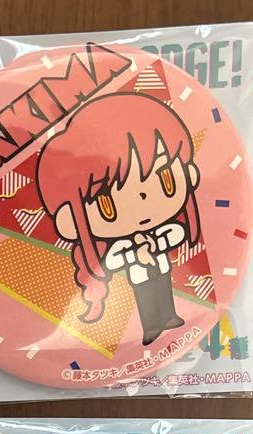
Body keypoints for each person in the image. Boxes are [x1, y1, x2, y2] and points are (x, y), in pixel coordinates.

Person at [36, 93, 201, 347]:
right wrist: (136, 252)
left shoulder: (161, 234)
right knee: (147, 298)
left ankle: (169, 317)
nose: (142, 201)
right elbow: (111, 261)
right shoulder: (121, 246)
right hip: (139, 276)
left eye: (166, 181)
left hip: (161, 268)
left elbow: (176, 233)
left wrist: (154, 245)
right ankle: (152, 327)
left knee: (163, 292)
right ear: (69, 220)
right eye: (107, 204)